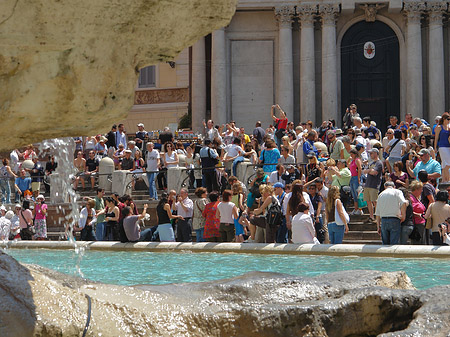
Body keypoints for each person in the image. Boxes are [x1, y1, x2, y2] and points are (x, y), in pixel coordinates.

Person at [362, 149, 383, 222]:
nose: (370, 155)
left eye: (372, 153)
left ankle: (378, 218)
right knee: (368, 201)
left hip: (374, 184)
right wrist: (369, 171)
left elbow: (374, 172)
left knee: (375, 201)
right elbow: (364, 171)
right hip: (368, 184)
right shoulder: (371, 163)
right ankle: (371, 216)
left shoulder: (379, 163)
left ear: (376, 153)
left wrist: (369, 171)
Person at [434, 113, 450, 182]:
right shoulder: (439, 127)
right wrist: (435, 147)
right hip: (442, 146)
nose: (449, 121)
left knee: (444, 165)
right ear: (444, 119)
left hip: (448, 146)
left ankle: (444, 180)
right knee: (448, 163)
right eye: (448, 119)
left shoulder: (448, 127)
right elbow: (436, 138)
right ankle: (448, 180)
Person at [409, 180, 426, 245]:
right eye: (421, 189)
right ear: (416, 189)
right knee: (417, 242)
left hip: (421, 223)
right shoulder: (411, 198)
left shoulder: (416, 198)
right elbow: (409, 211)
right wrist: (417, 215)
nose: (422, 191)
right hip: (416, 224)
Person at [348, 148, 362, 215]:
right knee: (353, 194)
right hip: (352, 177)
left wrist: (359, 178)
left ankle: (360, 209)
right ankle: (356, 208)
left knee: (357, 194)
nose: (351, 155)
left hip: (356, 177)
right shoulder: (352, 161)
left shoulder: (357, 160)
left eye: (352, 154)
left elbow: (359, 168)